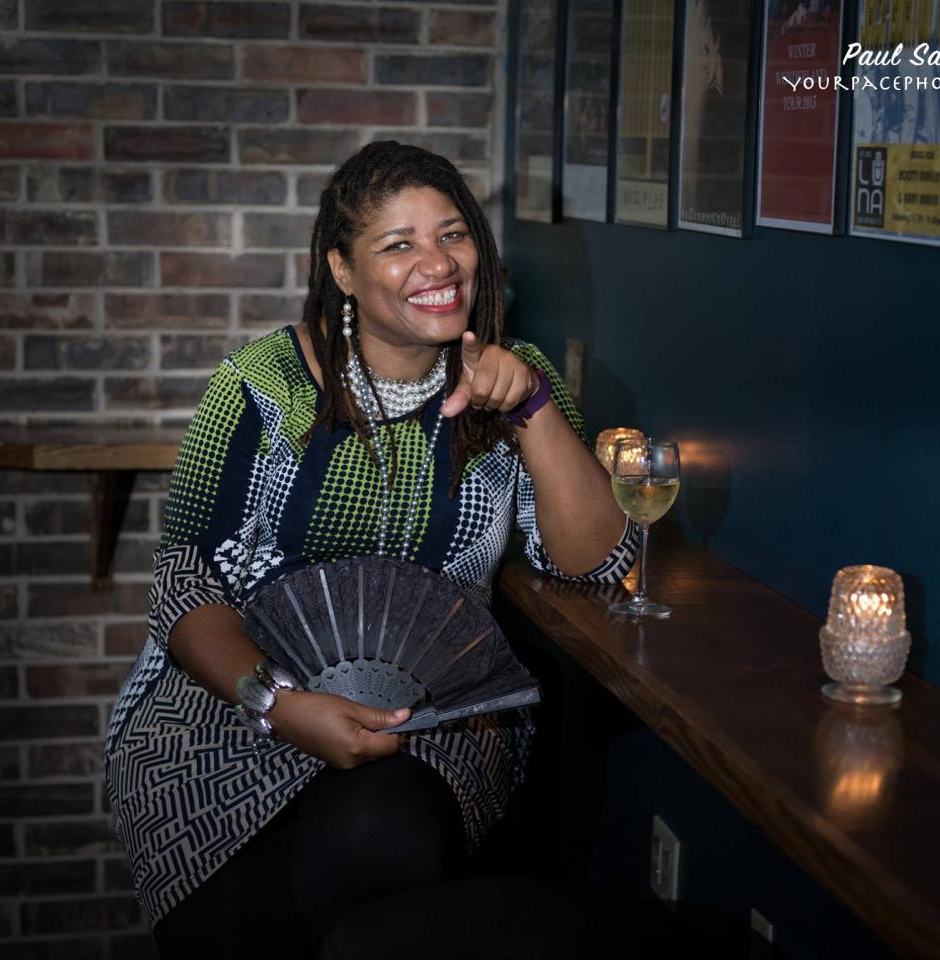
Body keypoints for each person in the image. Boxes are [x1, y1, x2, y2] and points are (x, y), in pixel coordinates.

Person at [105, 140, 637, 956]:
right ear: (342, 270)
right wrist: (277, 704)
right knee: (236, 916)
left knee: (376, 843)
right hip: (235, 708)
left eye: (452, 234)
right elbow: (184, 584)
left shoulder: (514, 376)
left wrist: (529, 403)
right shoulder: (262, 382)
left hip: (428, 723)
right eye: (398, 243)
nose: (439, 263)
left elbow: (595, 560)